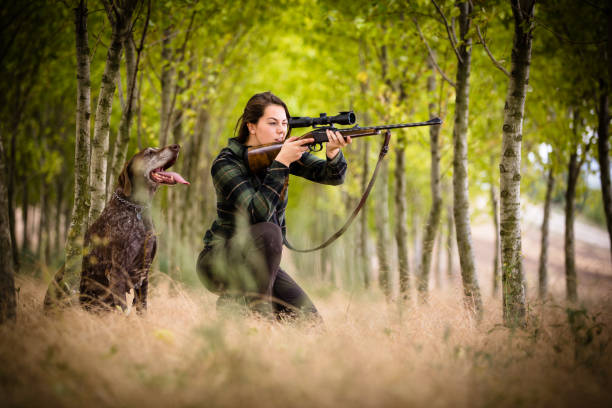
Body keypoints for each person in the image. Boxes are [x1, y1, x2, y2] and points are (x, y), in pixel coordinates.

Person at [196, 91, 351, 321]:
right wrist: (282, 163)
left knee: (310, 323)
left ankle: (236, 306)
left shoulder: (281, 153)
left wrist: (333, 151)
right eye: (273, 123)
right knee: (269, 231)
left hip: (261, 262)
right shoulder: (226, 163)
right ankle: (258, 319)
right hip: (219, 261)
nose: (282, 130)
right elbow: (257, 213)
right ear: (252, 126)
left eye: (285, 124)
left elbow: (332, 176)